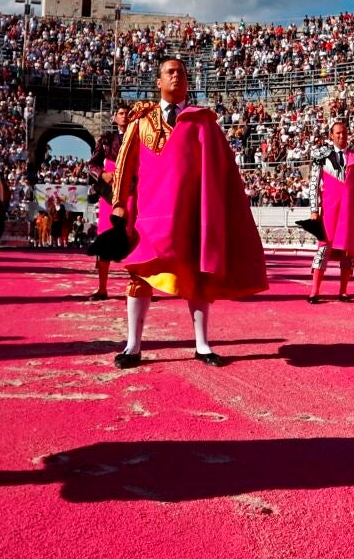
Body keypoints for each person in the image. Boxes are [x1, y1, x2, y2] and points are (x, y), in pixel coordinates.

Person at [104, 56, 266, 368]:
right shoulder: (140, 122)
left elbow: (221, 170)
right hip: (150, 214)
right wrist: (119, 203)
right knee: (140, 275)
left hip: (191, 213)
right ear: (159, 81)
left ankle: (202, 345)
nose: (176, 76)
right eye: (170, 71)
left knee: (197, 277)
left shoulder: (203, 121)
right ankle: (133, 346)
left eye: (181, 72)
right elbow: (123, 166)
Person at [306, 118, 354, 304]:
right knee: (323, 249)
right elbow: (313, 184)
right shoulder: (320, 156)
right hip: (329, 209)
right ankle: (314, 292)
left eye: (344, 133)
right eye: (338, 133)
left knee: (348, 251)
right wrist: (313, 210)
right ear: (331, 136)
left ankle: (343, 291)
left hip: (350, 210)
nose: (342, 136)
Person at [85, 107, 129, 300]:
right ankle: (102, 288)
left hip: (133, 188)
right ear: (114, 118)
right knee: (105, 238)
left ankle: (140, 286)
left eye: (127, 113)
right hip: (109, 191)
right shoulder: (106, 139)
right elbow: (92, 165)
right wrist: (102, 174)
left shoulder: (140, 138)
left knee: (135, 236)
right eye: (121, 113)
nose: (125, 116)